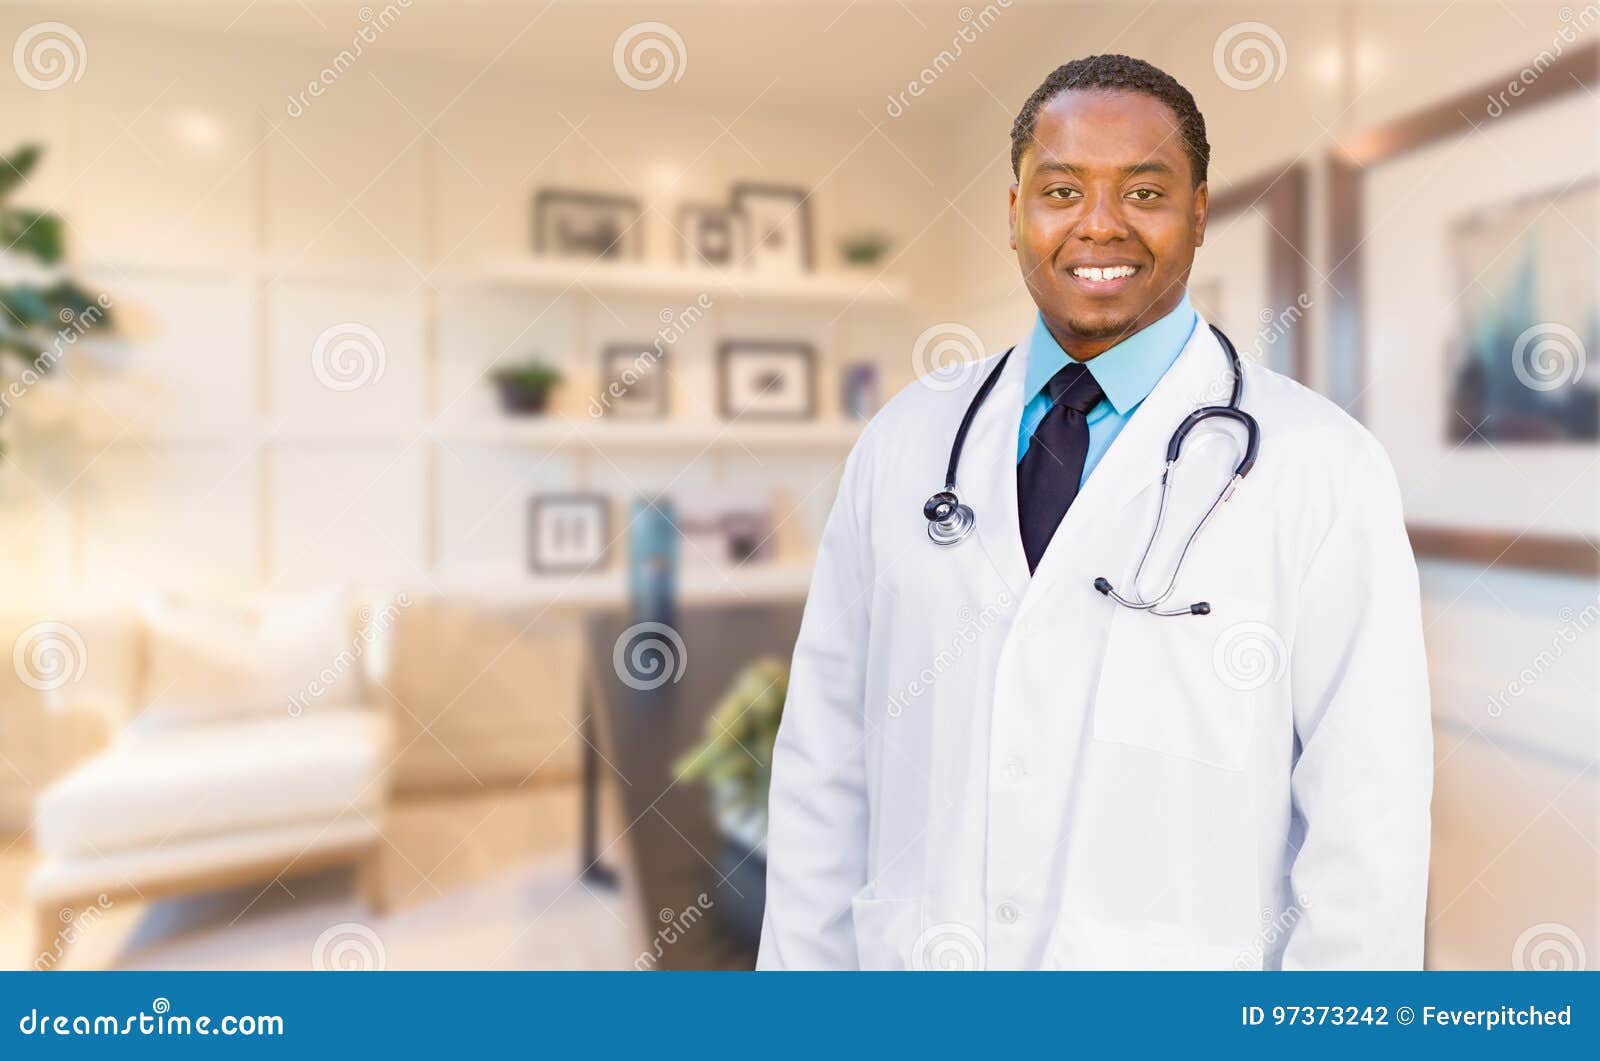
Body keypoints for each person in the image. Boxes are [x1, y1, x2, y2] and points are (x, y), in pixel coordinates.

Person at [756, 53, 1432, 971]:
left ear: (1199, 213)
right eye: (1062, 188)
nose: (1098, 225)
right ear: (1014, 214)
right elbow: (822, 763)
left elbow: (1369, 822)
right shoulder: (904, 442)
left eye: (1145, 191)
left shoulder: (1323, 466)